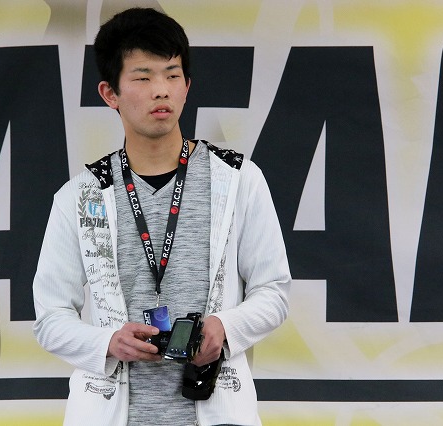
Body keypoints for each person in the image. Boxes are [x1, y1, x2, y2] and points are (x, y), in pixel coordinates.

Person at [32, 7, 291, 426]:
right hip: (109, 413)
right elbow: (50, 318)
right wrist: (108, 342)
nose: (161, 90)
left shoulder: (238, 178)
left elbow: (274, 290)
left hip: (217, 408)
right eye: (142, 77)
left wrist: (224, 327)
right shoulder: (80, 195)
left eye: (172, 75)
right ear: (110, 93)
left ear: (187, 86)